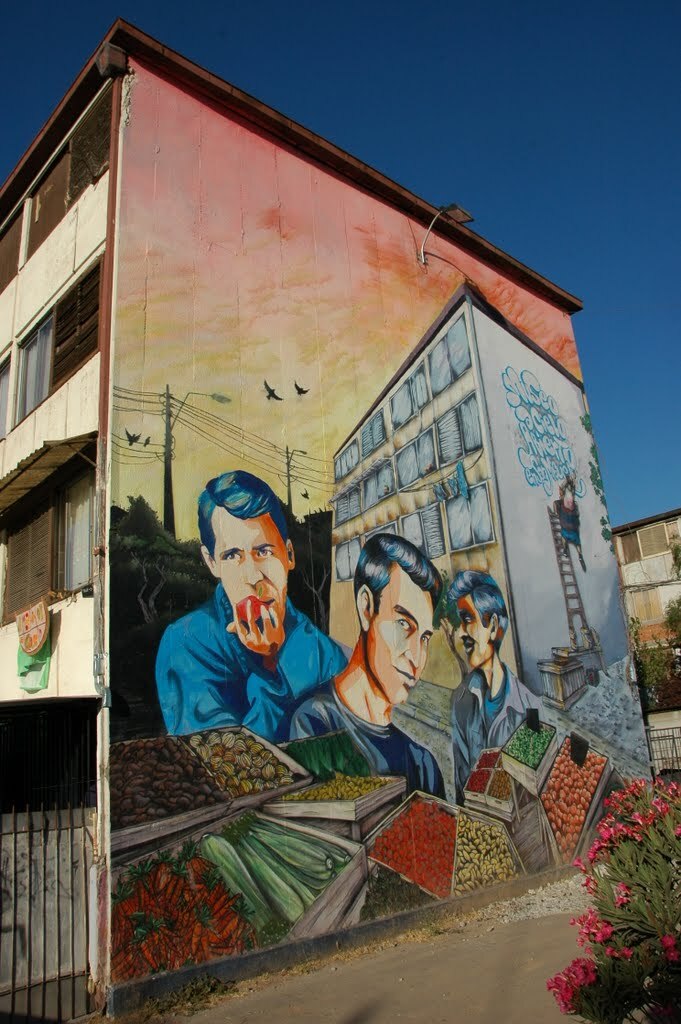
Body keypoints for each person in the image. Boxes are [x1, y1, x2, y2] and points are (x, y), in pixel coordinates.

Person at [155, 470, 346, 742]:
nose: (253, 576)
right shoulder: (186, 644)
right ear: (212, 563)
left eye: (264, 551)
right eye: (232, 555)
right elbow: (224, 763)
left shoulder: (323, 654)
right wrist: (269, 671)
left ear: (289, 554)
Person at [290, 534, 445, 797]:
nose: (417, 658)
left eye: (425, 638)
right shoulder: (314, 725)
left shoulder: (423, 765)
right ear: (366, 608)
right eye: (404, 624)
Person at [450, 570, 540, 803]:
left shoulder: (528, 707)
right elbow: (462, 787)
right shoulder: (461, 700)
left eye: (467, 620)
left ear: (492, 625)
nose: (460, 633)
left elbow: (533, 792)